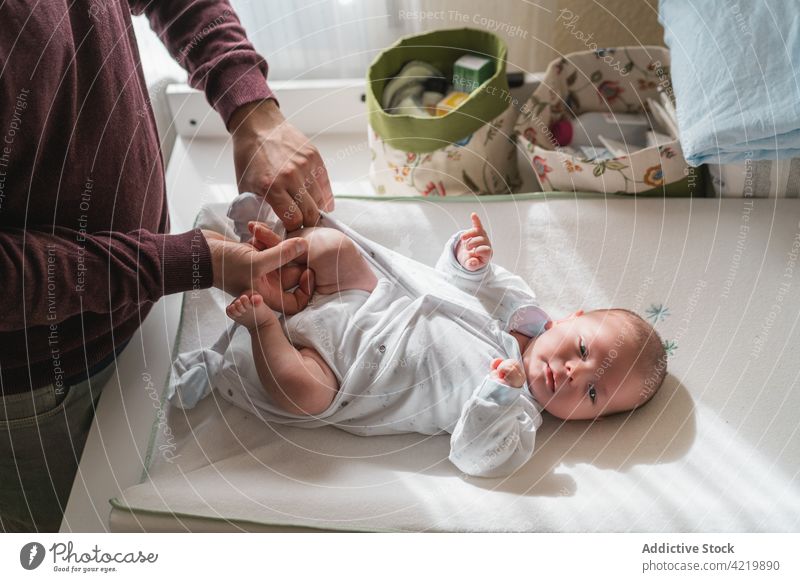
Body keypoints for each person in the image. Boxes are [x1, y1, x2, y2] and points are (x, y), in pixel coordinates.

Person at [0, 0, 331, 532]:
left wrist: (250, 106)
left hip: (148, 302)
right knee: (82, 544)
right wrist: (190, 263)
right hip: (45, 381)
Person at [217, 213, 668, 478]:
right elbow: (444, 285)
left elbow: (474, 456)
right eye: (586, 352)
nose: (575, 374)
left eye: (593, 393)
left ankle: (264, 325)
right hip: (368, 298)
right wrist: (467, 264)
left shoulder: (518, 419)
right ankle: (270, 258)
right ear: (572, 317)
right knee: (332, 246)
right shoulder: (519, 304)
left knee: (303, 393)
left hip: (348, 372)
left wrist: (498, 394)